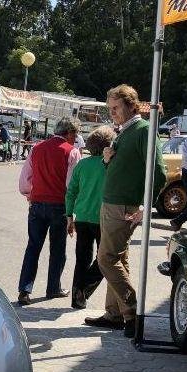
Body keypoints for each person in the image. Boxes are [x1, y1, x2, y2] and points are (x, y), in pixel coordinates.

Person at [85, 84, 166, 338]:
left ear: (132, 106)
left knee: (106, 259)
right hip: (113, 204)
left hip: (122, 206)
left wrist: (146, 206)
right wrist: (107, 159)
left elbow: (159, 173)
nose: (112, 113)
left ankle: (132, 311)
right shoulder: (126, 131)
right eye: (110, 108)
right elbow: (121, 170)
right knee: (118, 260)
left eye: (116, 107)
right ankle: (115, 314)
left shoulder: (143, 131)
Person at [17, 117, 83, 305]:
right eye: (75, 134)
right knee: (58, 249)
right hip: (59, 205)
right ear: (69, 133)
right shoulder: (72, 152)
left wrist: (30, 194)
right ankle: (53, 287)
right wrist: (72, 212)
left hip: (37, 204)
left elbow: (25, 179)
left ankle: (24, 290)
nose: (76, 138)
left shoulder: (37, 148)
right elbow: (71, 185)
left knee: (33, 247)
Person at [66, 126, 116, 309]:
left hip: (82, 217)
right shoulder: (110, 165)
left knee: (82, 259)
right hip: (102, 218)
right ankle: (84, 289)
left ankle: (77, 298)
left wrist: (69, 216)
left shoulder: (82, 165)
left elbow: (71, 192)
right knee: (104, 259)